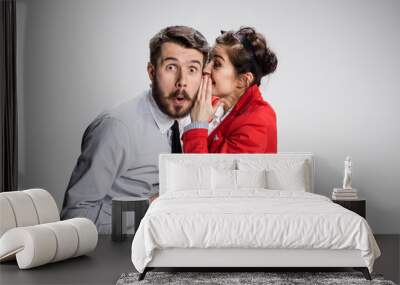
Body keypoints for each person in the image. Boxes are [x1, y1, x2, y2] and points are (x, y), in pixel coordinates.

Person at [60, 26, 209, 234]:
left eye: (192, 69)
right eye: (171, 67)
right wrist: (151, 207)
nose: (182, 81)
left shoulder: (186, 120)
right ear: (151, 72)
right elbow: (73, 218)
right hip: (118, 259)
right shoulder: (118, 128)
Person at [182, 27, 278, 153]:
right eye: (209, 60)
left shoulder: (257, 123)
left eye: (217, 64)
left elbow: (202, 172)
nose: (205, 69)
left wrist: (198, 125)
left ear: (242, 81)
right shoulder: (211, 105)